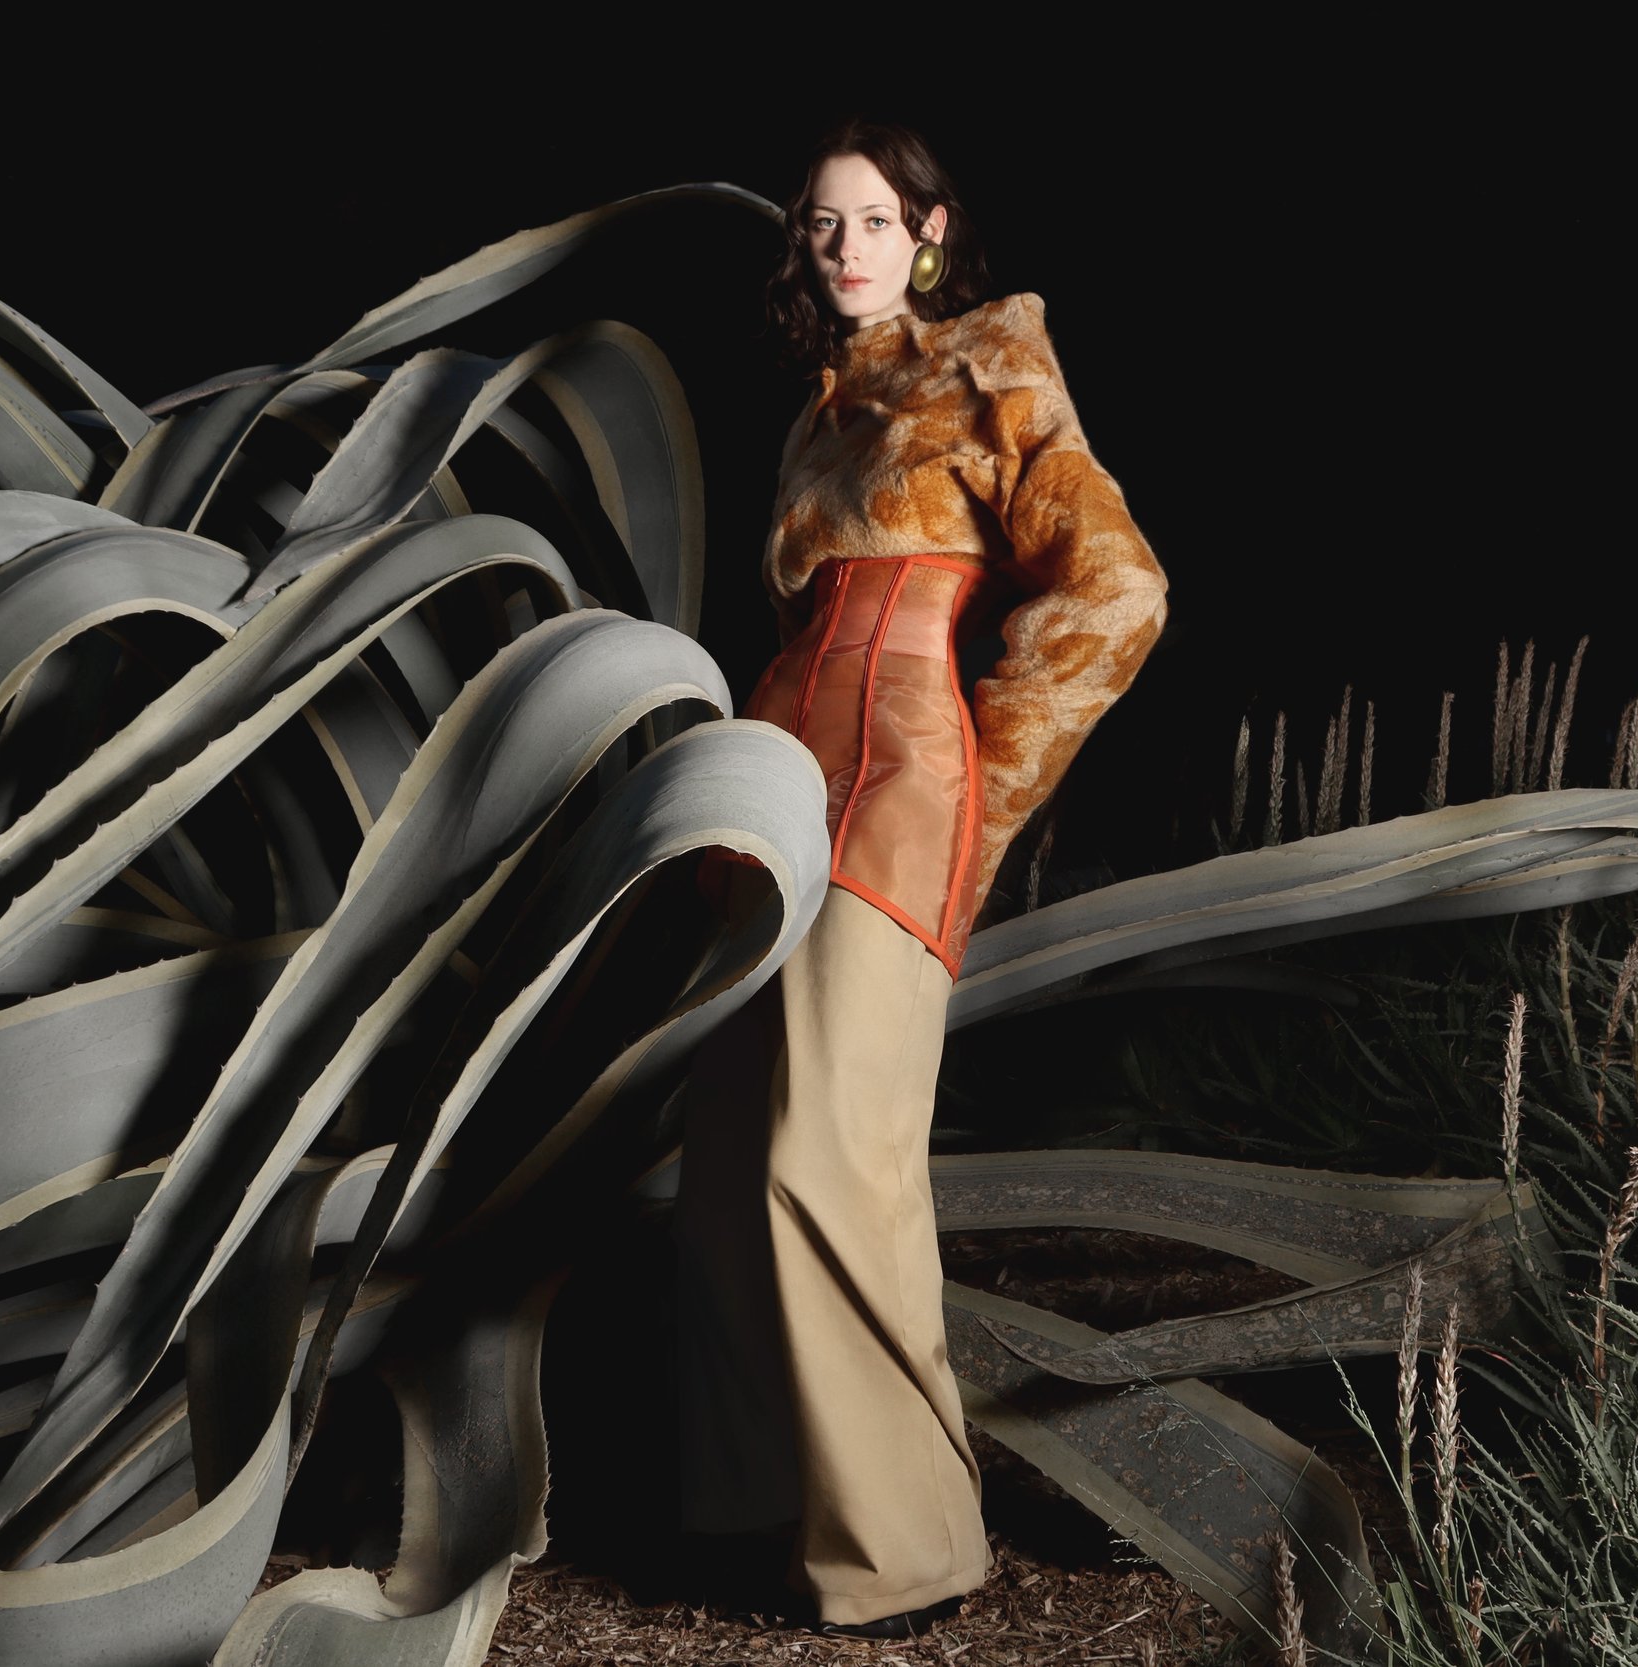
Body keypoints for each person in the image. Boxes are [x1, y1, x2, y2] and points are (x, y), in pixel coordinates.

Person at [675, 118, 1170, 1639]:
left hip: (899, 779)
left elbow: (1121, 587)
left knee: (827, 1152)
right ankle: (768, 1512)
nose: (845, 248)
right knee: (727, 1143)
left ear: (932, 233)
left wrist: (982, 775)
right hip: (771, 783)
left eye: (875, 221)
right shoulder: (819, 413)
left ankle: (902, 1553)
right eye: (823, 225)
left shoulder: (991, 364)